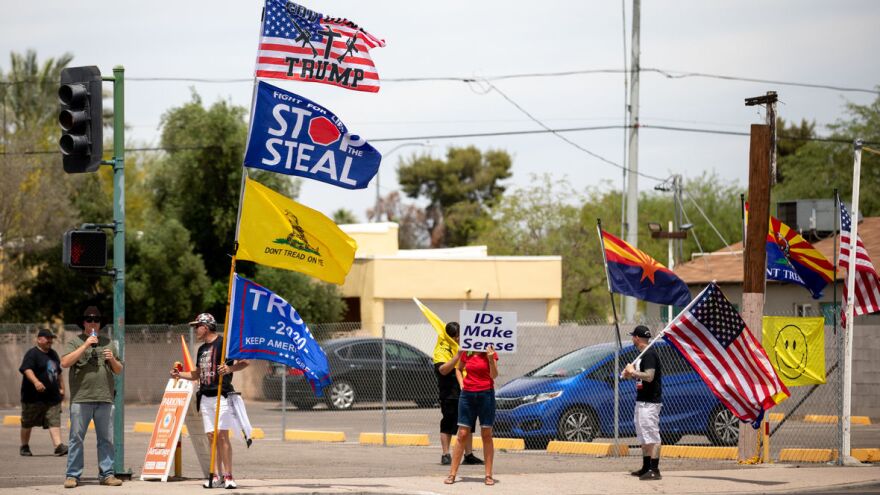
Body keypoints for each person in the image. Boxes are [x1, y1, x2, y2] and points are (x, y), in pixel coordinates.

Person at [171, 313, 249, 489]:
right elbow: (196, 374)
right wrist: (179, 374)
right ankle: (216, 476)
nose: (195, 330)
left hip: (222, 395)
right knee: (211, 436)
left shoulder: (224, 344)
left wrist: (229, 368)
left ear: (205, 327)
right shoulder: (201, 349)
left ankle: (228, 476)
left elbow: (245, 362)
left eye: (197, 326)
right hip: (205, 397)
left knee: (222, 435)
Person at [60, 306, 124, 488]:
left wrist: (112, 359)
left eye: (96, 320)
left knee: (106, 439)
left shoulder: (108, 343)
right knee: (76, 438)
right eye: (89, 320)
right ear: (84, 323)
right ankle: (72, 475)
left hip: (105, 398)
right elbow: (64, 362)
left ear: (100, 323)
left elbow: (119, 370)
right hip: (81, 398)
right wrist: (85, 345)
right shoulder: (75, 342)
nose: (93, 323)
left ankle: (107, 474)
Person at [445, 344, 499, 486]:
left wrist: (490, 359)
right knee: (462, 433)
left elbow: (494, 375)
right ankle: (452, 474)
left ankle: (488, 475)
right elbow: (458, 369)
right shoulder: (467, 351)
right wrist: (462, 385)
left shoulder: (490, 351)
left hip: (486, 394)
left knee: (486, 434)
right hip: (467, 395)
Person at [434, 322, 482, 466]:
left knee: (468, 423)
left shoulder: (468, 346)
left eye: (460, 336)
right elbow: (443, 370)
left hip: (467, 389)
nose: (458, 339)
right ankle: (445, 454)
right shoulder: (441, 349)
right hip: (449, 392)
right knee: (448, 422)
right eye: (456, 337)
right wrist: (458, 355)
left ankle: (469, 455)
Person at [622, 325, 663, 481]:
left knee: (652, 435)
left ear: (637, 338)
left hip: (650, 402)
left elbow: (650, 376)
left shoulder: (649, 354)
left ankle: (655, 469)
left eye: (633, 336)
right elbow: (641, 377)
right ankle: (646, 467)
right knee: (643, 435)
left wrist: (633, 371)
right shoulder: (641, 355)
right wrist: (630, 375)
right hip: (641, 400)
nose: (632, 339)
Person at [19, 328, 67, 457]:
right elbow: (27, 369)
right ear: (39, 340)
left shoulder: (53, 354)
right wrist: (36, 382)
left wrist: (62, 388)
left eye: (51, 338)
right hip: (33, 397)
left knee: (54, 420)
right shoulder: (32, 354)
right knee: (27, 422)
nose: (50, 341)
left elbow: (58, 373)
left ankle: (58, 446)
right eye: (47, 338)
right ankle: (24, 446)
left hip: (52, 397)